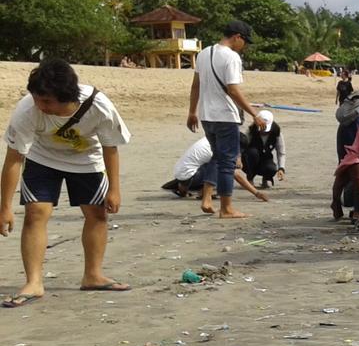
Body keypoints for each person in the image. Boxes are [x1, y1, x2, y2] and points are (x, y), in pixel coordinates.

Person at [1, 58, 131, 307]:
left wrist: (114, 189)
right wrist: (4, 206)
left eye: (47, 101)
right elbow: (14, 160)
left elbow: (110, 147)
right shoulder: (27, 110)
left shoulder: (98, 106)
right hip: (42, 158)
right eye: (37, 98)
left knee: (97, 213)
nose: (40, 105)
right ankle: (34, 282)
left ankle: (92, 275)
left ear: (67, 96)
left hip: (86, 160)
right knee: (36, 213)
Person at [187, 20, 265, 219]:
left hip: (206, 115)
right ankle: (226, 207)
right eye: (244, 41)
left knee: (217, 157)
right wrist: (254, 114)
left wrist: (192, 112)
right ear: (237, 37)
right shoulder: (231, 57)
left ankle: (206, 199)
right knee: (228, 162)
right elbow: (233, 90)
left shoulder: (203, 53)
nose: (244, 46)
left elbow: (195, 85)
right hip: (224, 116)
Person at [162, 136, 269, 210]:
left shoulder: (212, 139)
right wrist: (256, 193)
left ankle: (184, 187)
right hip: (191, 177)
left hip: (181, 173)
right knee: (225, 171)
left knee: (210, 164)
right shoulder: (221, 150)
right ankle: (203, 193)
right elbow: (236, 174)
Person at [242, 110, 286, 188]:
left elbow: (281, 152)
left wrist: (281, 168)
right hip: (250, 159)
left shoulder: (276, 132)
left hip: (265, 158)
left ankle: (266, 178)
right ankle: (250, 178)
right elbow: (242, 146)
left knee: (271, 169)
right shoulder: (250, 131)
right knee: (253, 153)